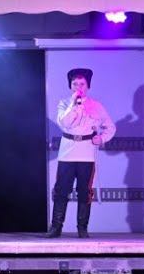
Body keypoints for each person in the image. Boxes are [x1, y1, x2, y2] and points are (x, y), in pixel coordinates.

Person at [47, 68, 115, 238]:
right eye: (75, 84)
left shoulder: (96, 106)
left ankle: (82, 228)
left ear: (88, 86)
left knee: (84, 191)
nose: (79, 87)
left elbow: (110, 127)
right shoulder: (64, 103)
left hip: (87, 153)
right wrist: (73, 104)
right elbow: (65, 122)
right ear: (70, 86)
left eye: (82, 84)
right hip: (67, 152)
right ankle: (56, 227)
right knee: (61, 190)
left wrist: (101, 138)